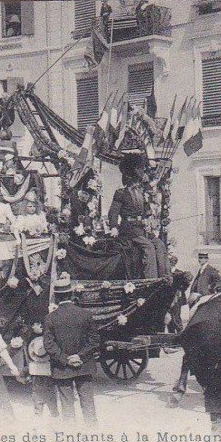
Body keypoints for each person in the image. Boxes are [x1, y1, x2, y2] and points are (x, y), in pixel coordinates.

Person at [43, 273, 100, 426]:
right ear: (72, 294)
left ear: (56, 297)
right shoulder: (86, 315)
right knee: (88, 402)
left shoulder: (50, 318)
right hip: (84, 365)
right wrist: (79, 356)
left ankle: (70, 437)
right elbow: (94, 341)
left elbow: (49, 345)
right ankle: (93, 434)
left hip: (62, 368)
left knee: (67, 405)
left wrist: (65, 358)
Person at [108, 170, 160, 278]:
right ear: (130, 181)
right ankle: (151, 279)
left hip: (142, 228)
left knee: (160, 245)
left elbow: (147, 212)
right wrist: (113, 227)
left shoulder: (141, 194)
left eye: (138, 181)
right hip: (129, 229)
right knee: (149, 247)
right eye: (135, 181)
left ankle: (165, 277)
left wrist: (149, 221)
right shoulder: (121, 193)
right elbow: (113, 212)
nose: (138, 184)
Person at [26, 336, 59, 418]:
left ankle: (38, 414)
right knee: (51, 400)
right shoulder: (50, 365)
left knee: (37, 399)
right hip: (49, 386)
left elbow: (25, 372)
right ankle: (54, 413)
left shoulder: (32, 365)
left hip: (37, 387)